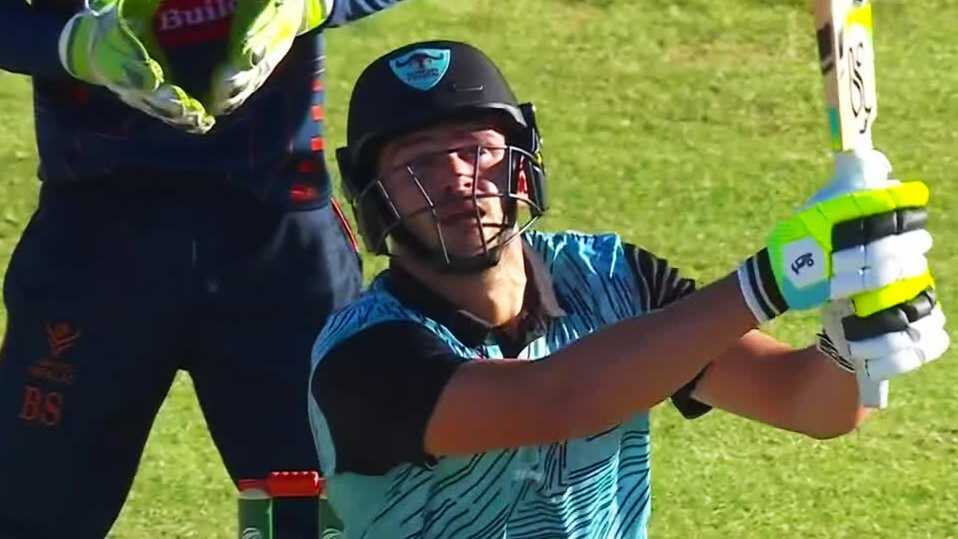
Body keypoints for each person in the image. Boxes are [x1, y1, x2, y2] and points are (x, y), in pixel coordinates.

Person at [307, 40, 949, 538]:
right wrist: (772, 280)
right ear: (375, 197)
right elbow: (556, 400)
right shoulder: (363, 360)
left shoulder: (612, 276)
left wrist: (854, 334)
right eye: (417, 162)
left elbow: (806, 403)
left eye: (478, 149)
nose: (456, 177)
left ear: (523, 162)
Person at [0, 1, 409, 537]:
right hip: (96, 240)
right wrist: (70, 45)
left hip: (276, 239)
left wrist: (310, 5)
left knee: (329, 518)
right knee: (30, 515)